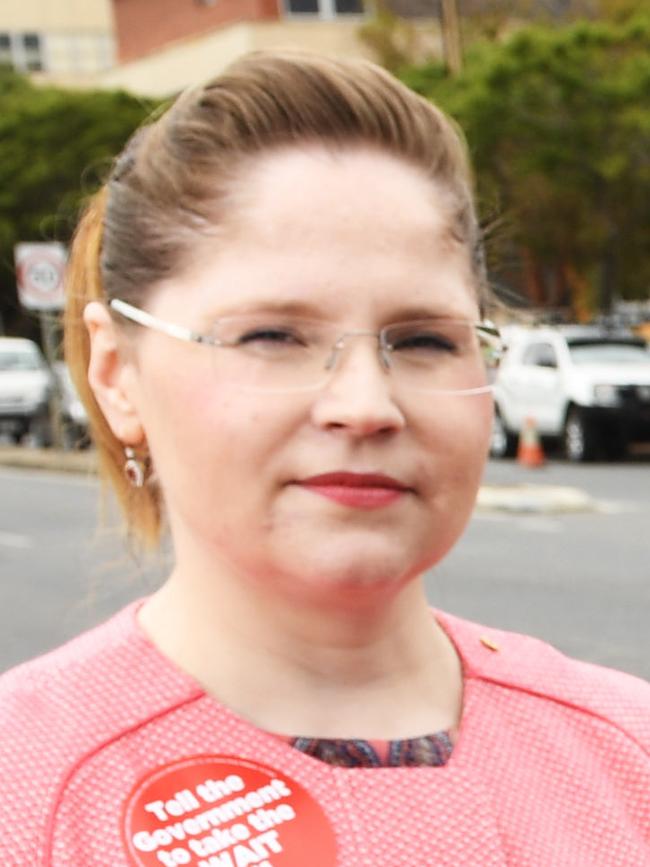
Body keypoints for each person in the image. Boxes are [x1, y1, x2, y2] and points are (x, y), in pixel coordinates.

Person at [0, 51, 648, 867]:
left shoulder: (627, 755)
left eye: (421, 340)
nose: (366, 404)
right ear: (116, 372)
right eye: (271, 336)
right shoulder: (30, 792)